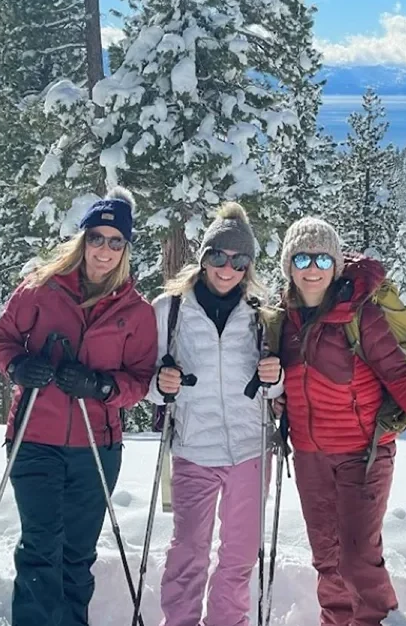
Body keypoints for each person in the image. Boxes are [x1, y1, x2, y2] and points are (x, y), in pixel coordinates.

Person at [271, 217, 406, 626]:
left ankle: (378, 621)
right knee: (327, 560)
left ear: (336, 265)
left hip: (364, 454)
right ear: (289, 266)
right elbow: (280, 383)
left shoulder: (361, 315)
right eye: (302, 258)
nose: (312, 268)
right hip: (309, 458)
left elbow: (398, 373)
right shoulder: (283, 321)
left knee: (358, 559)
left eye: (322, 258)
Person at [0, 187, 158, 626]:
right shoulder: (40, 288)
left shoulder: (135, 312)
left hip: (96, 448)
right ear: (83, 240)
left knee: (77, 554)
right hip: (34, 440)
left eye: (115, 241)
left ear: (126, 248)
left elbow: (139, 382)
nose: (104, 249)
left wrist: (100, 386)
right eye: (97, 238)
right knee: (40, 548)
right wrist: (21, 366)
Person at [148, 201, 284, 626]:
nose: (228, 268)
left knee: (239, 555)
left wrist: (275, 378)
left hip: (250, 449)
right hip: (193, 449)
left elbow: (278, 387)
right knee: (189, 551)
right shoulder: (168, 310)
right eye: (219, 257)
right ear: (204, 257)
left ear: (249, 265)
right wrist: (160, 385)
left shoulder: (263, 314)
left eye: (240, 260)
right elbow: (147, 383)